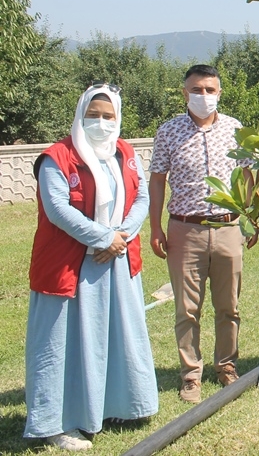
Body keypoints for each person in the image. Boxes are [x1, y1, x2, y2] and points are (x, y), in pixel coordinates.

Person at [24, 84, 158, 451]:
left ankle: (117, 406)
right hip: (70, 265)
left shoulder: (124, 152)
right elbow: (57, 208)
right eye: (93, 115)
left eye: (108, 116)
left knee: (117, 334)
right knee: (61, 343)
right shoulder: (57, 157)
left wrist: (121, 236)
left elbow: (141, 196)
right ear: (80, 115)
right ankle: (56, 423)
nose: (101, 122)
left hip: (116, 259)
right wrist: (103, 238)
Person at [149, 64, 253, 403]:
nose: (203, 96)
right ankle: (191, 375)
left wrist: (251, 217)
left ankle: (226, 365)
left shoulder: (235, 129)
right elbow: (157, 181)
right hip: (185, 229)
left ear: (219, 93)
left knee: (229, 305)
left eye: (210, 90)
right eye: (196, 90)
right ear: (185, 93)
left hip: (227, 227)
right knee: (187, 309)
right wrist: (155, 227)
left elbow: (248, 176)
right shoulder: (169, 132)